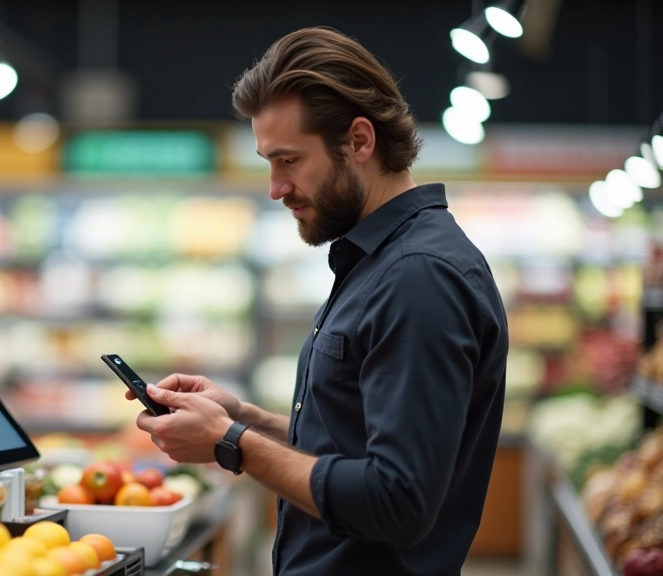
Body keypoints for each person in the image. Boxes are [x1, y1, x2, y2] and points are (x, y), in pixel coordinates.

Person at [128, 27, 509, 575]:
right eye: (269, 163)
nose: (275, 187)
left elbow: (396, 501)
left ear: (359, 141)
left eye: (288, 160)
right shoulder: (378, 261)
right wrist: (245, 418)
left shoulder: (418, 278)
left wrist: (228, 442)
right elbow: (354, 442)